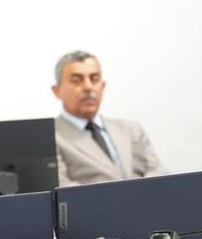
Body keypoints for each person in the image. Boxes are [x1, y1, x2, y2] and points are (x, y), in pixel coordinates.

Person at [52, 50, 167, 185]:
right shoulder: (49, 138)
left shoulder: (131, 130)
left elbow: (158, 172)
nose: (88, 87)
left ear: (103, 86)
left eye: (94, 79)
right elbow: (61, 187)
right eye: (77, 80)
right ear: (57, 90)